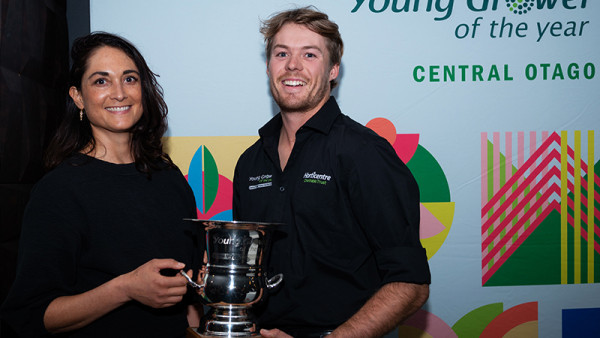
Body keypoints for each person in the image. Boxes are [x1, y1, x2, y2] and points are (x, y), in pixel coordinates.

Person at [232, 7, 431, 338]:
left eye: (309, 54)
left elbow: (410, 283)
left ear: (333, 70)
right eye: (282, 53)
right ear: (269, 67)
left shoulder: (365, 153)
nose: (292, 65)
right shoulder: (250, 162)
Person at [0, 32, 202, 337]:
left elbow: (188, 291)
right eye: (101, 81)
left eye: (130, 79)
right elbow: (31, 313)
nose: (119, 93)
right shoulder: (58, 191)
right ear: (78, 97)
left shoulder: (170, 178)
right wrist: (125, 288)